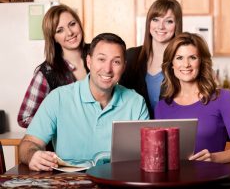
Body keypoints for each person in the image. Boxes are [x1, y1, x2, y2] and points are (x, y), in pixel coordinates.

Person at [19, 33, 149, 171]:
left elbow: (147, 154)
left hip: (117, 180)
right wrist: (33, 155)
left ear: (123, 67)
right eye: (101, 59)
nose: (107, 69)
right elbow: (28, 143)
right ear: (89, 61)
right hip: (67, 182)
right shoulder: (58, 98)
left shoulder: (136, 103)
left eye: (116, 62)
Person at [155, 32, 230, 163]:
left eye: (192, 57)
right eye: (179, 58)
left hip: (211, 178)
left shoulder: (222, 98)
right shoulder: (162, 107)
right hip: (175, 180)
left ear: (201, 62)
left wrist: (214, 158)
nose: (186, 64)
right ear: (171, 64)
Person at [18, 4, 90, 128]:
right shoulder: (47, 72)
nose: (70, 33)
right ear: (54, 38)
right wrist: (59, 124)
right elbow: (25, 117)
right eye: (59, 30)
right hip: (66, 146)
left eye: (72, 24)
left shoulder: (98, 55)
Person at [120, 0, 182, 118]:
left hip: (173, 129)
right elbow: (120, 96)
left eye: (169, 21)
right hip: (136, 129)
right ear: (149, 23)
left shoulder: (182, 60)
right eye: (155, 20)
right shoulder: (131, 56)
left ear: (177, 25)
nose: (161, 26)